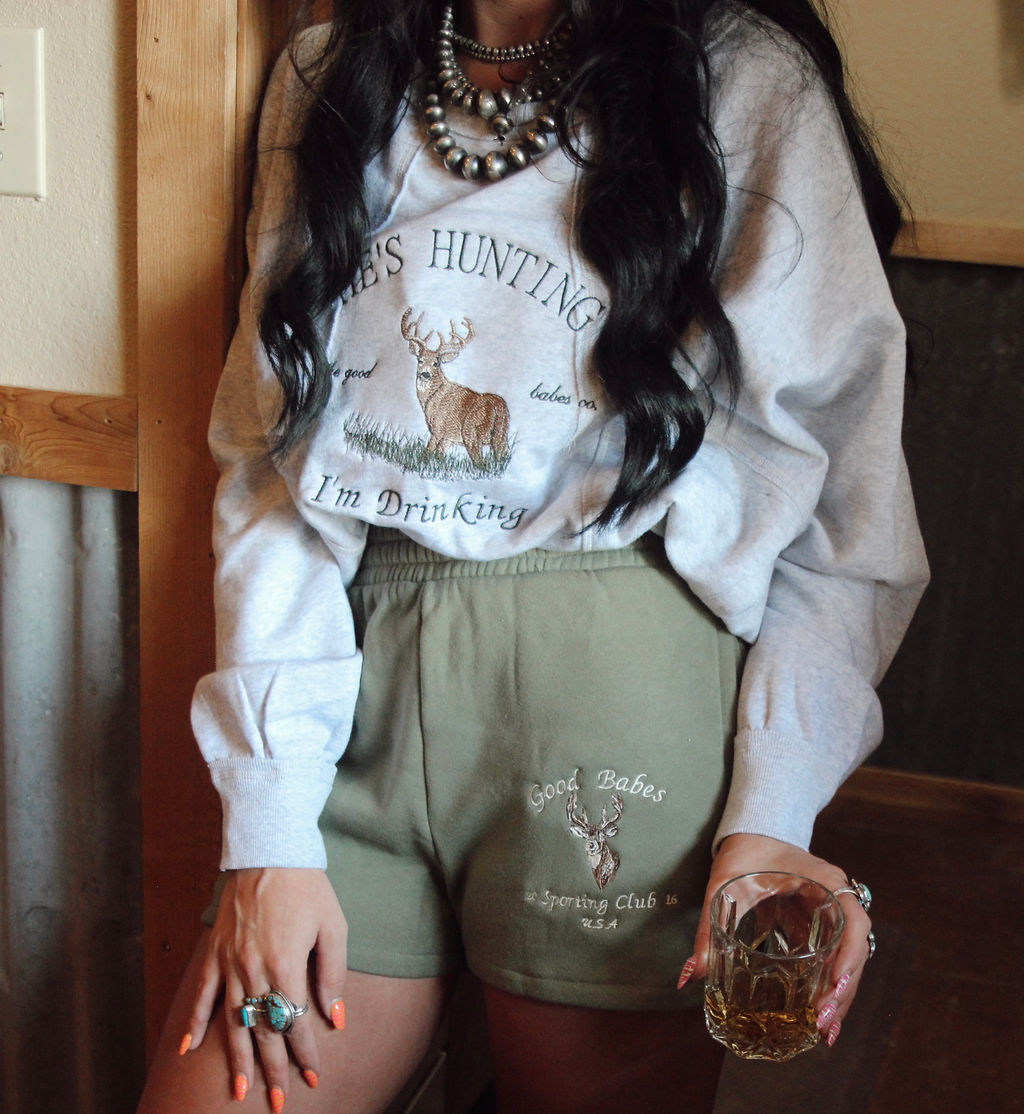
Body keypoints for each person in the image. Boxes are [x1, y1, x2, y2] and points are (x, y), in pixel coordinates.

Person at [137, 0, 928, 1111]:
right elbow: (270, 468)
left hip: (618, 711)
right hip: (345, 705)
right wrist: (266, 831)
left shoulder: (741, 77)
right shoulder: (329, 76)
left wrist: (772, 814)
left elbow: (844, 506)